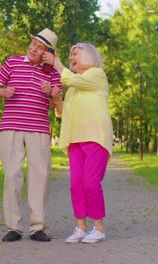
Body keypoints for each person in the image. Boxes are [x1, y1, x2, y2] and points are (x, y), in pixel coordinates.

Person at [0, 28, 63, 242]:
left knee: (40, 176)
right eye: (33, 43)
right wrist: (3, 92)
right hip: (10, 127)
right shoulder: (12, 62)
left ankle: (37, 227)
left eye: (40, 47)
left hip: (39, 129)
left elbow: (57, 107)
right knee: (12, 175)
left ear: (47, 53)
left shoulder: (52, 72)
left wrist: (52, 93)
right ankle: (13, 227)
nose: (34, 48)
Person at [43, 42, 113, 243]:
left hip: (95, 137)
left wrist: (56, 62)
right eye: (70, 54)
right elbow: (63, 113)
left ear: (90, 57)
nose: (72, 57)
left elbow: (70, 79)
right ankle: (80, 227)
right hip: (75, 139)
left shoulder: (97, 75)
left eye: (76, 53)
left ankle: (98, 228)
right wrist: (56, 99)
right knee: (76, 184)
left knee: (91, 183)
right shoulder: (74, 86)